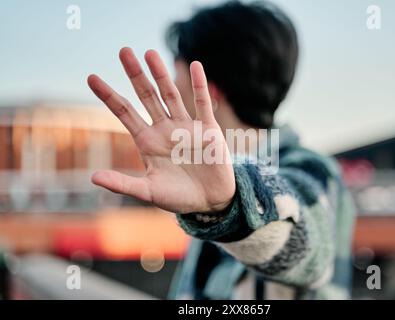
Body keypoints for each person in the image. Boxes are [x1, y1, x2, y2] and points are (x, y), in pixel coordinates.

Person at [87, 1, 355, 300]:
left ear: (208, 88)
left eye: (177, 77)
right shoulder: (206, 178)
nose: (173, 89)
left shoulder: (312, 169)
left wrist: (230, 205)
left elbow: (309, 249)